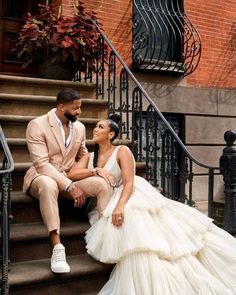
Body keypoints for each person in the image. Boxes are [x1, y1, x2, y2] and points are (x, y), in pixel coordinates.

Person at [67, 114, 236, 295]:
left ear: (111, 134)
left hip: (128, 192)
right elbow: (72, 174)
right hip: (108, 196)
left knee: (133, 217)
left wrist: (120, 206)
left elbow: (129, 182)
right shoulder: (91, 156)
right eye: (96, 126)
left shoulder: (122, 150)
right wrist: (96, 170)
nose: (96, 129)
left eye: (101, 127)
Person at [23, 88, 114, 274]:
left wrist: (98, 169)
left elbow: (83, 156)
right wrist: (70, 186)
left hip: (68, 176)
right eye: (75, 108)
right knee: (48, 185)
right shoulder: (37, 125)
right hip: (42, 176)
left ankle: (104, 236)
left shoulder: (79, 127)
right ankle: (57, 247)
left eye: (80, 107)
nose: (79, 112)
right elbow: (41, 164)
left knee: (102, 185)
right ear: (61, 106)